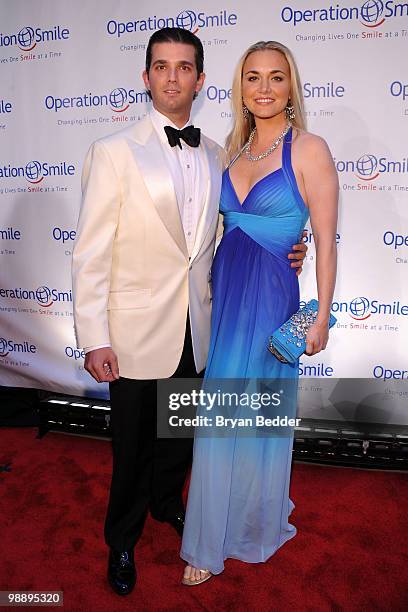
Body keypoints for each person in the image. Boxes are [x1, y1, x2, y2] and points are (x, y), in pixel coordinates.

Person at [72, 29, 307, 596]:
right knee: (131, 446)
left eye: (184, 68)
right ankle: (122, 541)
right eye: (161, 66)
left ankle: (164, 506)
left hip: (201, 327)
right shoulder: (112, 151)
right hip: (132, 331)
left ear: (200, 81)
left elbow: (234, 230)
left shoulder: (220, 152)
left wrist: (287, 247)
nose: (172, 77)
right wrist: (93, 337)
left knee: (178, 436)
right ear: (147, 77)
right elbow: (90, 254)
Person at [181, 40, 338, 585]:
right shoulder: (231, 149)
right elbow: (221, 228)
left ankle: (242, 527)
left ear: (290, 85)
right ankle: (215, 528)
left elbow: (324, 240)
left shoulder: (311, 149)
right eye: (253, 77)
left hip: (272, 294)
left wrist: (320, 319)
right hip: (228, 290)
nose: (264, 88)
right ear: (240, 87)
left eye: (276, 77)